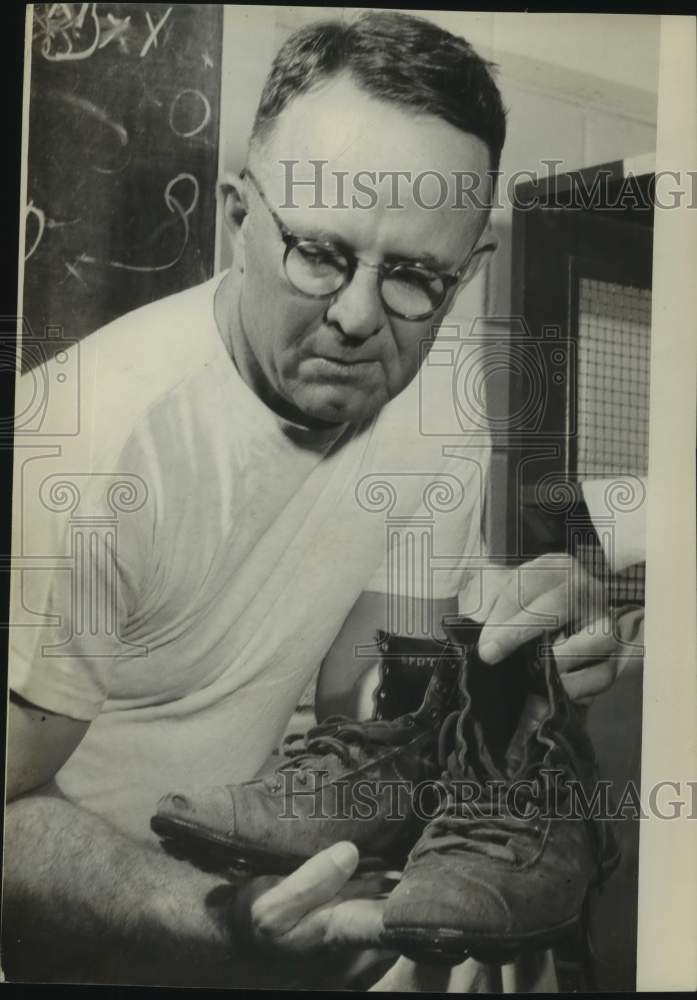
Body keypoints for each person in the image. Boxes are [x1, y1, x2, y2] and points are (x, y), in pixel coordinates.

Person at [4, 11, 637, 988]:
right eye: (320, 253)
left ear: (465, 276)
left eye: (415, 277)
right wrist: (220, 918)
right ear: (237, 215)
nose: (354, 317)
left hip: (280, 899)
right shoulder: (94, 442)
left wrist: (511, 665)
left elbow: (368, 716)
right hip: (75, 942)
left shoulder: (433, 399)